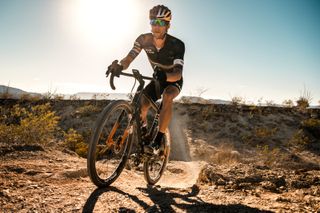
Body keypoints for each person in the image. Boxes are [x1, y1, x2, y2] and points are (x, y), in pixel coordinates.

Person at [107, 5, 185, 154]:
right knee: (141, 105)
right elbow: (129, 58)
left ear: (168, 25)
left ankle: (157, 140)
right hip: (157, 80)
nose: (156, 26)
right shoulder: (143, 39)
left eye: (161, 23)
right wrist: (120, 67)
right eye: (153, 22)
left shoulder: (177, 45)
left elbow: (178, 74)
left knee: (167, 96)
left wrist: (166, 76)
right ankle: (144, 136)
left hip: (173, 81)